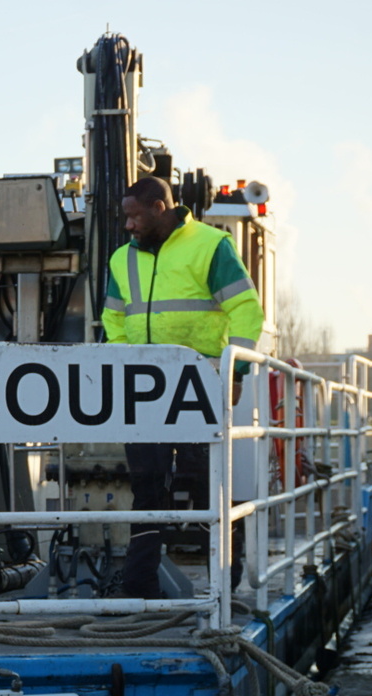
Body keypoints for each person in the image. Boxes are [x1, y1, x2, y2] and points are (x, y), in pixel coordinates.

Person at [102, 176, 263, 598]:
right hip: (143, 388)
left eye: (135, 216)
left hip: (201, 384)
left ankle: (224, 585)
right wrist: (126, 365)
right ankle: (140, 589)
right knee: (147, 487)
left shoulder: (210, 245)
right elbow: (113, 320)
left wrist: (235, 374)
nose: (129, 226)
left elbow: (246, 310)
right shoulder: (122, 259)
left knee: (209, 483)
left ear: (160, 207)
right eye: (126, 218)